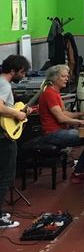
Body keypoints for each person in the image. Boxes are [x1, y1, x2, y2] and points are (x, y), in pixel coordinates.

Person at [38, 65, 84, 183]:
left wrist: (81, 113)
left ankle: (82, 172)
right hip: (52, 133)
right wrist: (82, 121)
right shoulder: (49, 93)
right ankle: (83, 172)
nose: (67, 79)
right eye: (63, 76)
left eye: (67, 76)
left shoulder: (55, 92)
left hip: (60, 131)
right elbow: (61, 118)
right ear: (54, 78)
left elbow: (63, 113)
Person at [0, 55, 30, 229]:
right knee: (5, 176)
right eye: (22, 72)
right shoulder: (4, 84)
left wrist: (20, 111)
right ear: (13, 71)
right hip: (4, 138)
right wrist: (17, 114)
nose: (24, 76)